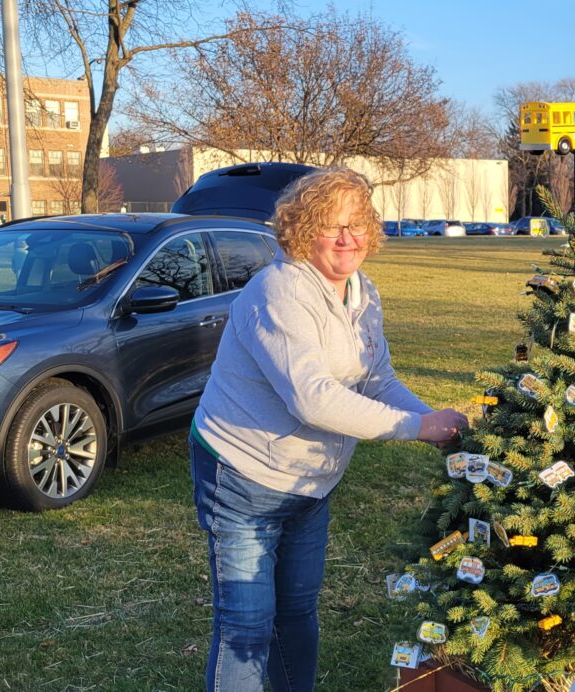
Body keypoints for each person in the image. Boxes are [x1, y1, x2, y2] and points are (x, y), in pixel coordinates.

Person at [188, 167, 468, 691]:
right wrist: (415, 428)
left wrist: (437, 422)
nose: (347, 238)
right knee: (246, 624)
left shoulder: (362, 294)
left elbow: (377, 379)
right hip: (243, 476)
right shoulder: (279, 290)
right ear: (299, 229)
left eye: (357, 224)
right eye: (330, 224)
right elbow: (312, 398)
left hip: (311, 481)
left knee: (296, 610)